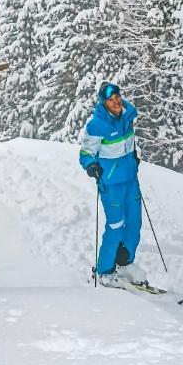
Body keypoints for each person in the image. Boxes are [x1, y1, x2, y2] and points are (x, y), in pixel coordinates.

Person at [79, 81, 144, 286]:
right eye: (110, 99)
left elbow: (129, 144)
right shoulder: (98, 125)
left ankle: (124, 263)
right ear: (104, 102)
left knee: (134, 224)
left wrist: (134, 157)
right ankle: (104, 271)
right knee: (116, 227)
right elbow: (86, 153)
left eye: (117, 97)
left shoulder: (127, 116)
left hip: (131, 180)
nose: (116, 101)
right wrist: (91, 166)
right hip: (111, 183)